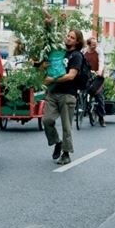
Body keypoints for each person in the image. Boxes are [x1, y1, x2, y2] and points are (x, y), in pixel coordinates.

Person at [43, 29, 84, 165]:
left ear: (77, 41)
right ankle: (57, 142)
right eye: (68, 36)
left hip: (68, 94)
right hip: (53, 93)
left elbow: (71, 76)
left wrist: (52, 80)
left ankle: (66, 154)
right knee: (47, 120)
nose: (68, 38)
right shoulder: (59, 52)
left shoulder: (76, 56)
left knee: (66, 127)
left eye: (72, 37)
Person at [83, 37, 106, 127]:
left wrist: (100, 71)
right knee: (81, 91)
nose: (95, 46)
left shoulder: (99, 51)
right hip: (87, 75)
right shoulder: (84, 51)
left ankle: (101, 118)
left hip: (97, 76)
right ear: (88, 44)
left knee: (98, 95)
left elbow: (101, 61)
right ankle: (81, 109)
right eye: (93, 44)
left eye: (96, 44)